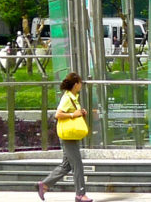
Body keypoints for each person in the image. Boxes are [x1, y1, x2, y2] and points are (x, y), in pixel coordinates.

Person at [37, 72, 92, 202]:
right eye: (80, 82)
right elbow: (58, 114)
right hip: (68, 136)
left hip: (71, 134)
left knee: (66, 165)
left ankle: (44, 184)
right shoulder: (67, 98)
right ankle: (80, 194)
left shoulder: (73, 97)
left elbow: (72, 112)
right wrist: (73, 115)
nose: (81, 85)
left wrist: (80, 112)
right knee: (77, 164)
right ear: (75, 84)